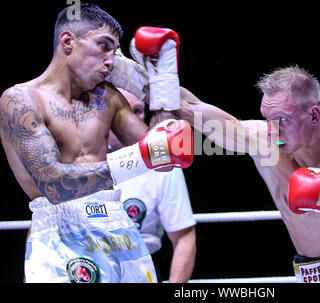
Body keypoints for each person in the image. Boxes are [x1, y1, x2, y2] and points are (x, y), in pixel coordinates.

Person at [0, 3, 192, 283]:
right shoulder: (20, 100)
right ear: (68, 41)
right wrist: (140, 159)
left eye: (114, 52)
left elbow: (165, 154)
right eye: (103, 46)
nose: (111, 62)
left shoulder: (109, 98)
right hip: (62, 231)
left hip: (119, 226)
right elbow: (53, 184)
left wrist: (161, 83)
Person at [177, 66, 320, 283]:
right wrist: (158, 75)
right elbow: (191, 107)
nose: (272, 129)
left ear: (314, 114)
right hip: (309, 276)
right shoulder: (265, 144)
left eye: (282, 120)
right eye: (267, 119)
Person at [108, 88, 196, 283]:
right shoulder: (80, 157)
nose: (130, 120)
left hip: (142, 268)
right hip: (84, 265)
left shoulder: (162, 164)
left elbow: (183, 236)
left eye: (137, 111)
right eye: (121, 112)